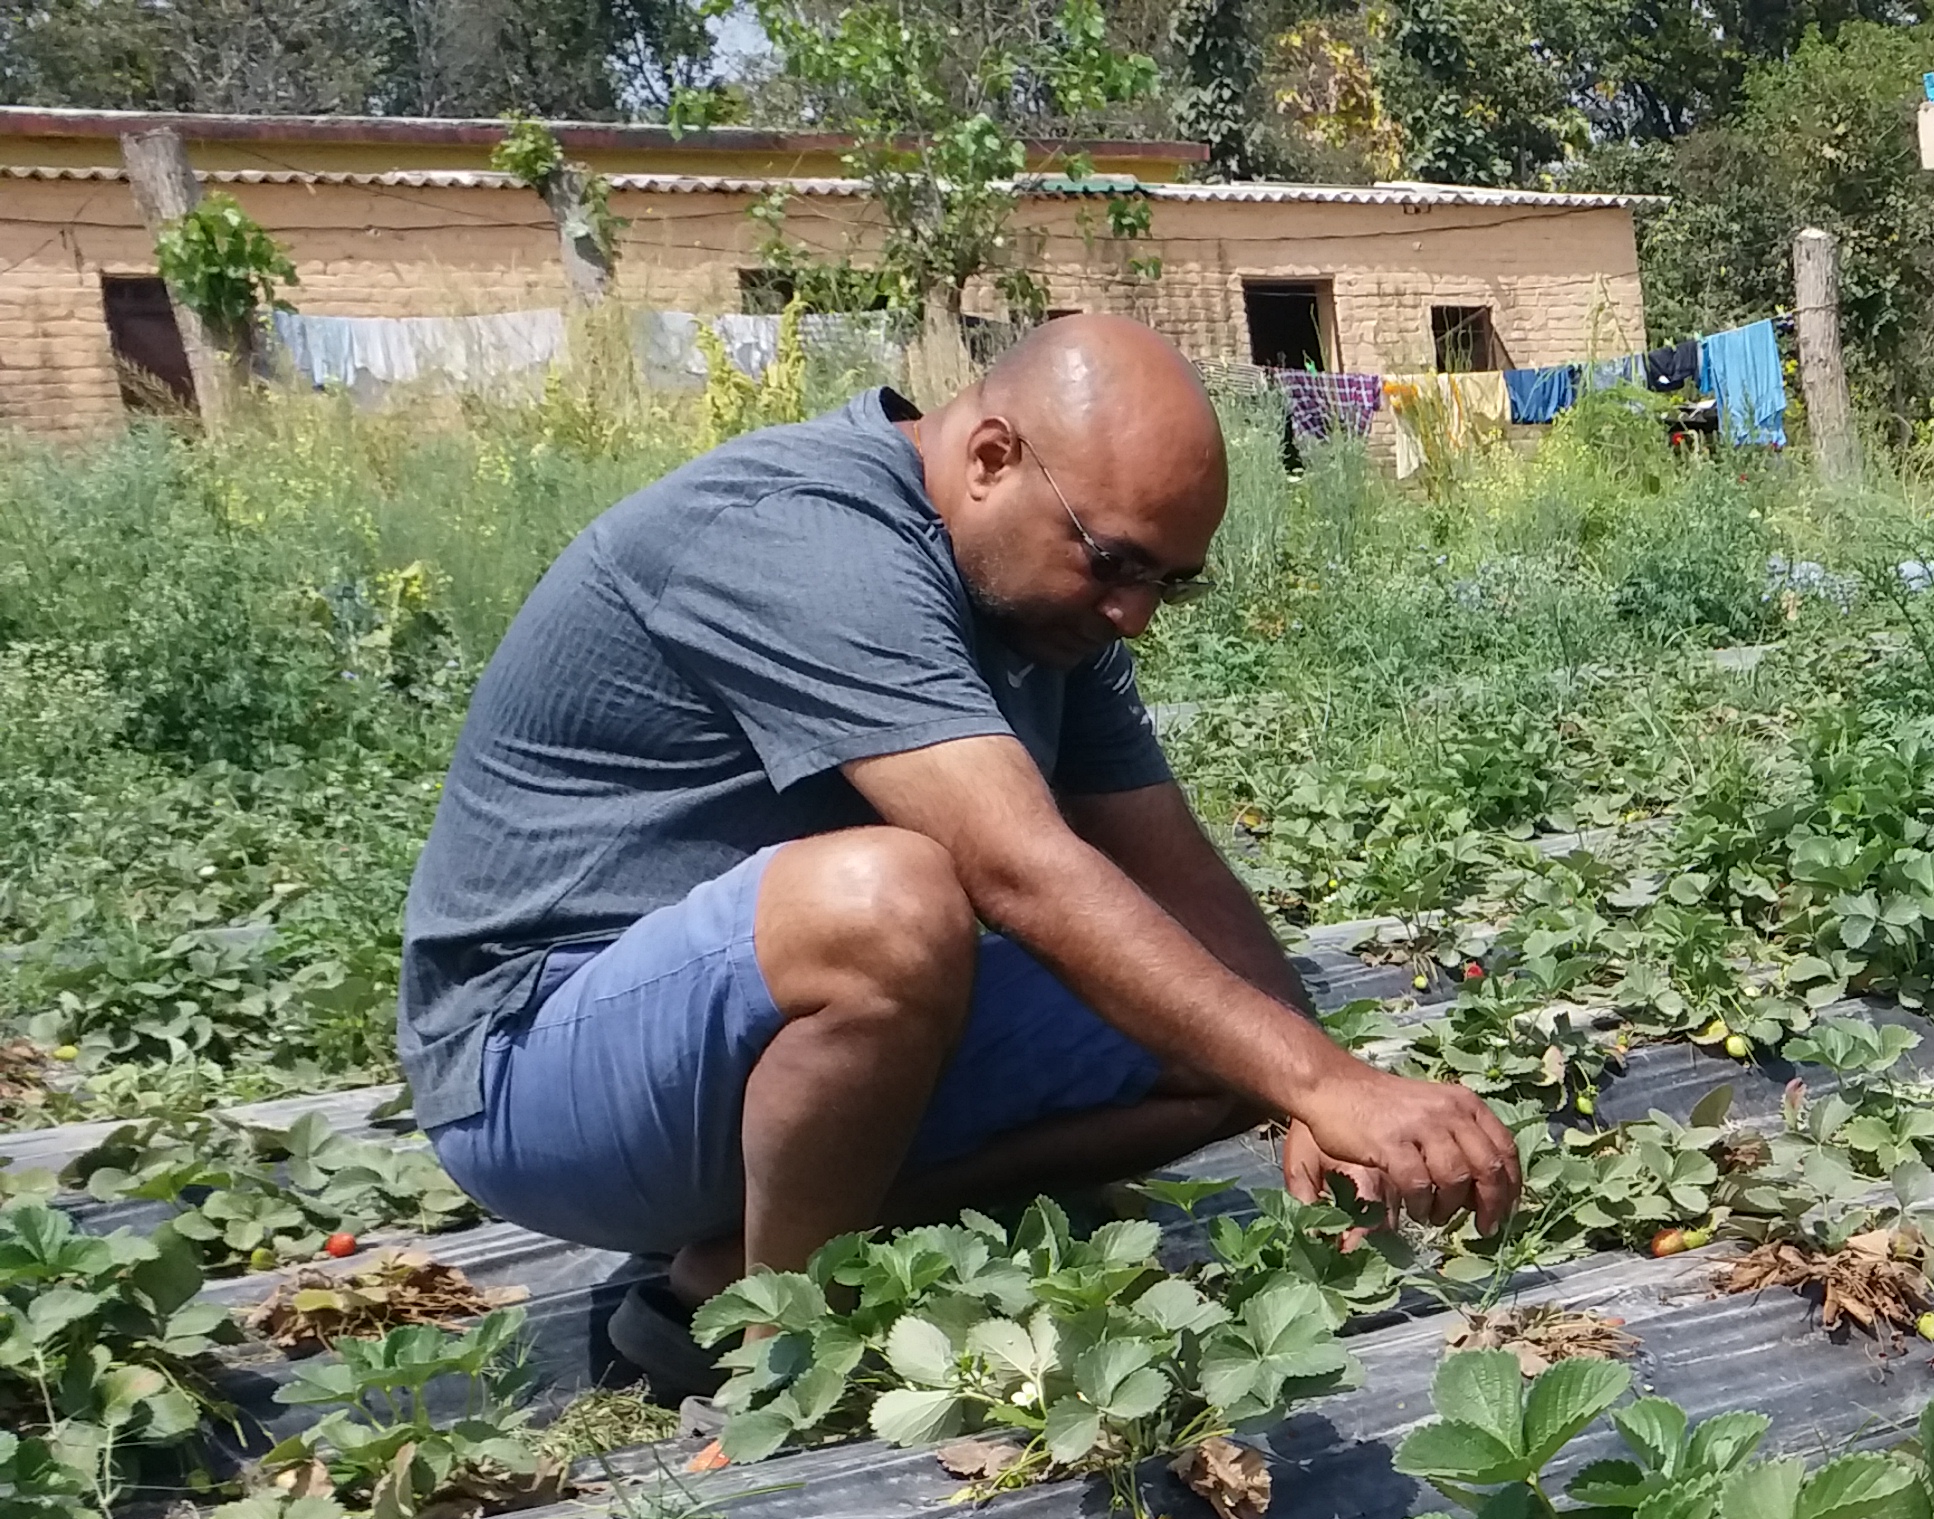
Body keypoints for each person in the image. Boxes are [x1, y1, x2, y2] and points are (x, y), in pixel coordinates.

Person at [397, 314, 1518, 1389]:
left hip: (752, 1048)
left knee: (1227, 1032)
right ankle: (781, 1349)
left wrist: (1312, 1091)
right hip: (539, 1070)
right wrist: (1327, 1082)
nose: (1134, 616)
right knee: (889, 895)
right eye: (1114, 563)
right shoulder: (809, 536)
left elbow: (1171, 872)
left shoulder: (1050, 621)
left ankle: (745, 1262)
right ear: (990, 457)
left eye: (1167, 585)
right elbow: (1014, 865)